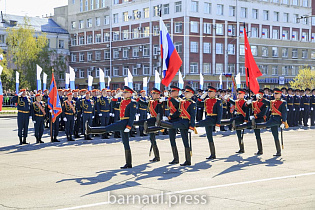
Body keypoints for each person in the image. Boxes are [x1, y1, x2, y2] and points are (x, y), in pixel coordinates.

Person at [86, 86, 137, 169]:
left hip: (125, 122)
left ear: (130, 94)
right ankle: (129, 163)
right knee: (125, 143)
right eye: (123, 92)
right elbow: (113, 105)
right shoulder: (123, 102)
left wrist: (129, 126)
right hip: (122, 122)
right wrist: (115, 97)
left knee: (108, 128)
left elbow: (132, 116)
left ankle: (91, 130)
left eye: (125, 92)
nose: (123, 94)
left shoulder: (133, 103)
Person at [155, 86, 196, 166]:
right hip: (177, 120)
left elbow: (191, 115)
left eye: (187, 92)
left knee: (175, 128)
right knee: (178, 140)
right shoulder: (181, 102)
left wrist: (192, 126)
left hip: (182, 121)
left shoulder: (186, 102)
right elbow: (175, 111)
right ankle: (181, 159)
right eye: (185, 92)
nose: (185, 93)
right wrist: (169, 116)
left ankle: (161, 123)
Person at [252, 88, 287, 156]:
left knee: (266, 124)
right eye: (274, 93)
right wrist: (261, 98)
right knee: (275, 136)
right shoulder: (272, 102)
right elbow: (266, 102)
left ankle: (256, 125)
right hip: (272, 118)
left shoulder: (283, 102)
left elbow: (284, 113)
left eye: (277, 93)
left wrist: (284, 122)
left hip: (277, 119)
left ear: (280, 94)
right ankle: (278, 151)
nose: (275, 95)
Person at [134, 88, 164, 162]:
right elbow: (143, 103)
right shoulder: (151, 102)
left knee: (143, 122)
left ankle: (133, 123)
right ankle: (157, 157)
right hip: (151, 120)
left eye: (154, 94)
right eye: (152, 93)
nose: (152, 95)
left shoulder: (161, 102)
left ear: (158, 94)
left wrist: (164, 100)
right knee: (152, 138)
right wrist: (137, 98)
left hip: (156, 120)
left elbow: (161, 113)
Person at [234, 90, 268, 155]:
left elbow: (263, 113)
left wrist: (255, 116)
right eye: (257, 95)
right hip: (253, 119)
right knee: (253, 131)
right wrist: (247, 103)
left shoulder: (264, 103)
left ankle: (260, 150)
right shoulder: (254, 102)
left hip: (259, 119)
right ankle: (237, 127)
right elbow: (247, 107)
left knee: (257, 134)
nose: (258, 97)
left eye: (259, 95)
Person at [195, 86, 222, 159]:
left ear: (214, 93)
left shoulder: (218, 101)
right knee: (209, 137)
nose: (209, 93)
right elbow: (197, 104)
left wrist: (218, 123)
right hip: (208, 117)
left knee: (201, 122)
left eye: (210, 92)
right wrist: (200, 98)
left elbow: (220, 113)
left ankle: (193, 125)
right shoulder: (206, 100)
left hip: (213, 118)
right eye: (208, 92)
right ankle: (213, 154)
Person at [221, 89, 249, 153]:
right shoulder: (237, 101)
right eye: (238, 94)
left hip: (242, 118)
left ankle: (221, 123)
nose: (238, 95)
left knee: (231, 121)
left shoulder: (246, 102)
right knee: (238, 134)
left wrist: (246, 120)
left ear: (243, 95)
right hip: (237, 117)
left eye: (240, 94)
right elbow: (233, 102)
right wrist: (228, 99)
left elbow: (247, 112)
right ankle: (241, 148)